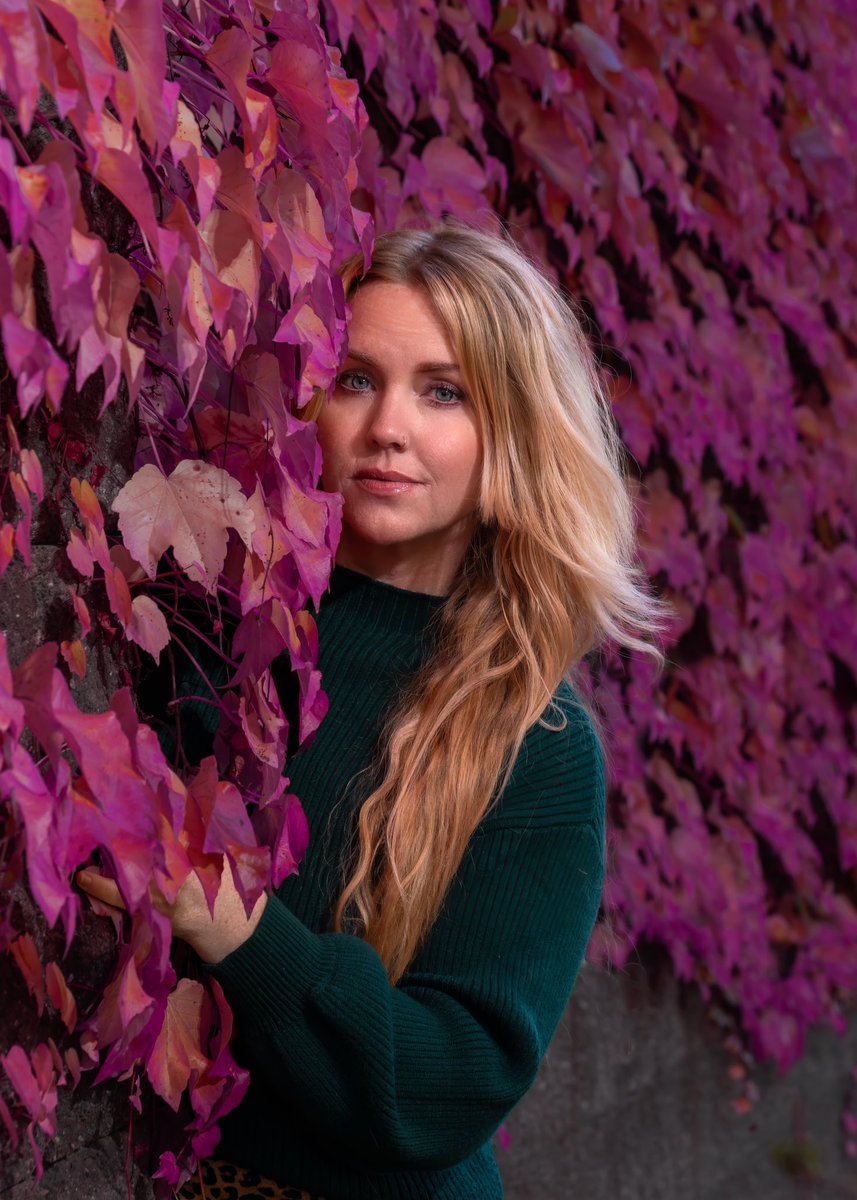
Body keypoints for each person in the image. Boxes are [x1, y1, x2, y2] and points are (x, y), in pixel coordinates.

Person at [79, 224, 664, 1199]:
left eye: (443, 392)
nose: (387, 426)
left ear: (510, 431)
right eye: (357, 378)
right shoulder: (206, 628)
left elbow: (444, 1087)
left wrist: (234, 931)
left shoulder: (537, 746)